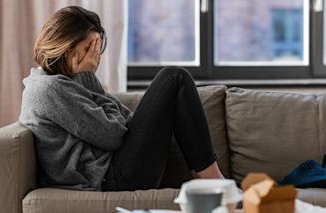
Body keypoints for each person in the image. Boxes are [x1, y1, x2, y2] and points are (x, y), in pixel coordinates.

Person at [19, 6, 223, 192]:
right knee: (174, 78)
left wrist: (87, 81)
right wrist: (88, 76)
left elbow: (126, 119)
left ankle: (208, 177)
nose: (95, 57)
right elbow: (114, 135)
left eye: (97, 48)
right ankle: (212, 180)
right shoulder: (49, 90)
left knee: (175, 79)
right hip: (111, 179)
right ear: (66, 47)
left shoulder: (64, 84)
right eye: (90, 48)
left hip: (114, 170)